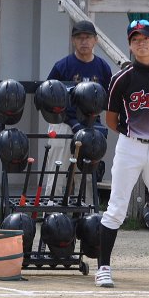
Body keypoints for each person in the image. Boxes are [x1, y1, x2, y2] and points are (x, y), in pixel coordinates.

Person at [95, 19, 149, 288]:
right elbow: (111, 119)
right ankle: (103, 268)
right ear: (129, 45)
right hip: (130, 146)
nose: (141, 43)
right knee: (116, 207)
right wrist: (132, 134)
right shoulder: (122, 78)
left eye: (146, 38)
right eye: (135, 39)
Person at [41, 20, 113, 190]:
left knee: (87, 177)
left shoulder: (103, 67)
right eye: (79, 37)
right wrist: (72, 122)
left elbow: (109, 99)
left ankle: (87, 208)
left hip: (90, 124)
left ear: (95, 40)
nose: (84, 41)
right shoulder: (62, 66)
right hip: (64, 122)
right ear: (73, 40)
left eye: (88, 37)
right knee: (57, 173)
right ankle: (52, 206)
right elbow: (47, 97)